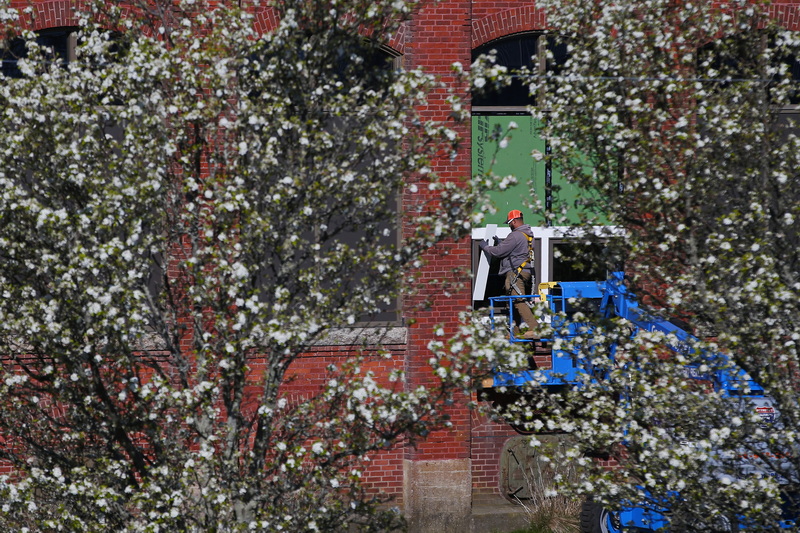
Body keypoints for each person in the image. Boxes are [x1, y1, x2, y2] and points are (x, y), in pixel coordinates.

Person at [479, 209, 539, 339]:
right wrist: (502, 243)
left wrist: (485, 247)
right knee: (512, 302)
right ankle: (515, 331)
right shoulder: (528, 235)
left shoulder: (515, 235)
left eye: (509, 223)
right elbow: (516, 252)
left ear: (515, 221)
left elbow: (498, 252)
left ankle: (535, 328)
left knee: (518, 300)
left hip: (515, 274)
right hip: (524, 272)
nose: (509, 226)